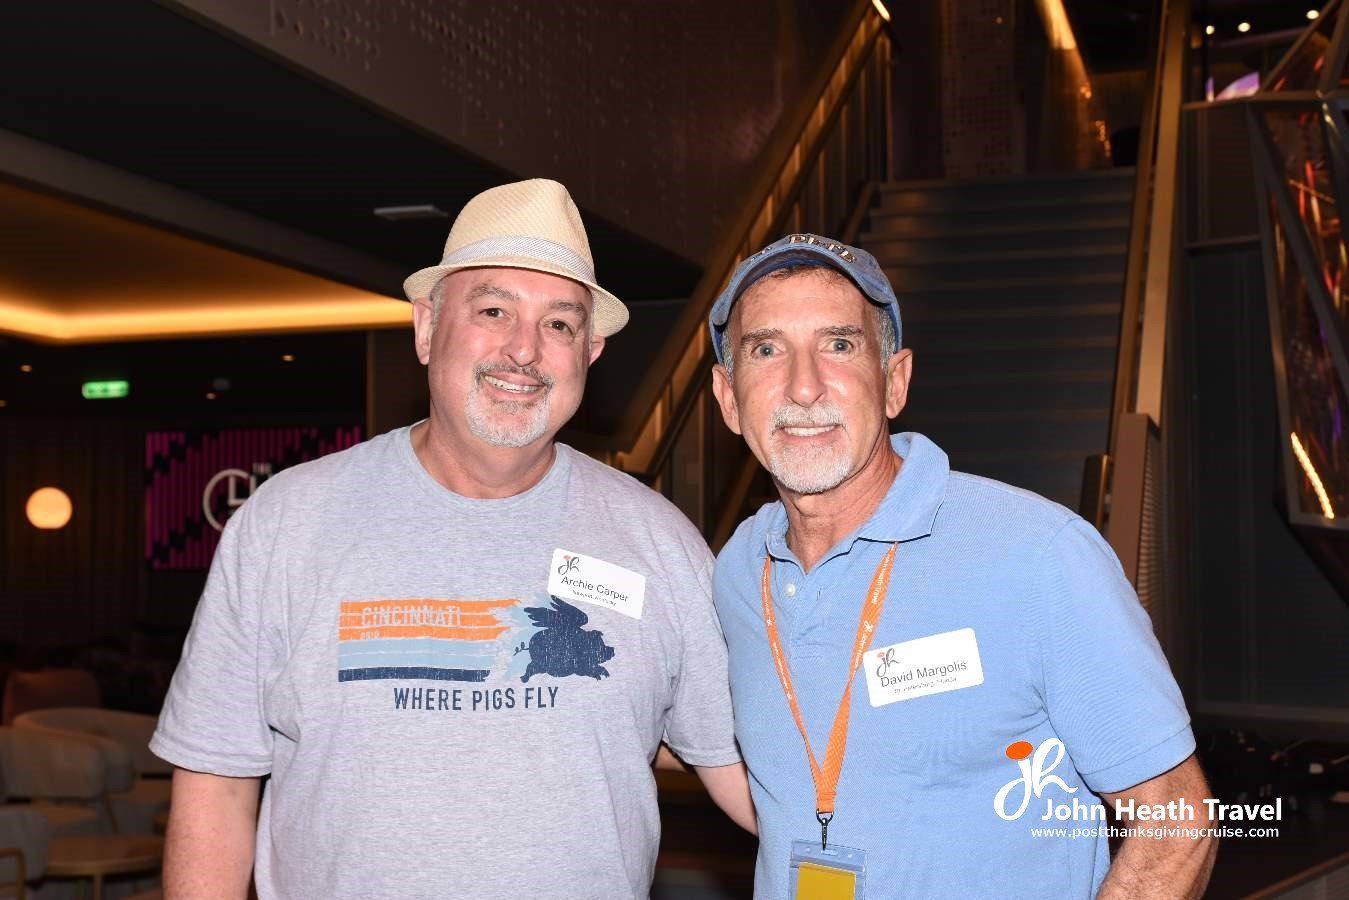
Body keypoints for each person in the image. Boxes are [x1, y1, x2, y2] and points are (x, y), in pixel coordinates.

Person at [152, 179, 753, 899]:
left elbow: (746, 775)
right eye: (493, 310)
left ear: (589, 353)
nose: (524, 350)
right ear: (427, 326)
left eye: (559, 324)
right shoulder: (287, 522)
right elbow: (216, 783)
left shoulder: (657, 540)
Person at [707, 233, 1216, 898]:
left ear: (893, 382)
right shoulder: (737, 572)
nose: (803, 386)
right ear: (726, 397)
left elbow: (1177, 821)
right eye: (766, 349)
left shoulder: (1038, 554)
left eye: (838, 345)